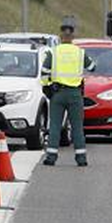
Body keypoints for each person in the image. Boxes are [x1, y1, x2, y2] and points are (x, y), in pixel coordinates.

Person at [41, 16, 96, 167]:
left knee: (55, 126)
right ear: (73, 36)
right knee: (77, 126)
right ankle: (81, 158)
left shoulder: (53, 52)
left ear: (61, 36)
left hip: (57, 93)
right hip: (75, 94)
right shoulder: (80, 53)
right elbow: (92, 67)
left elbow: (44, 71)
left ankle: (51, 157)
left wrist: (47, 87)